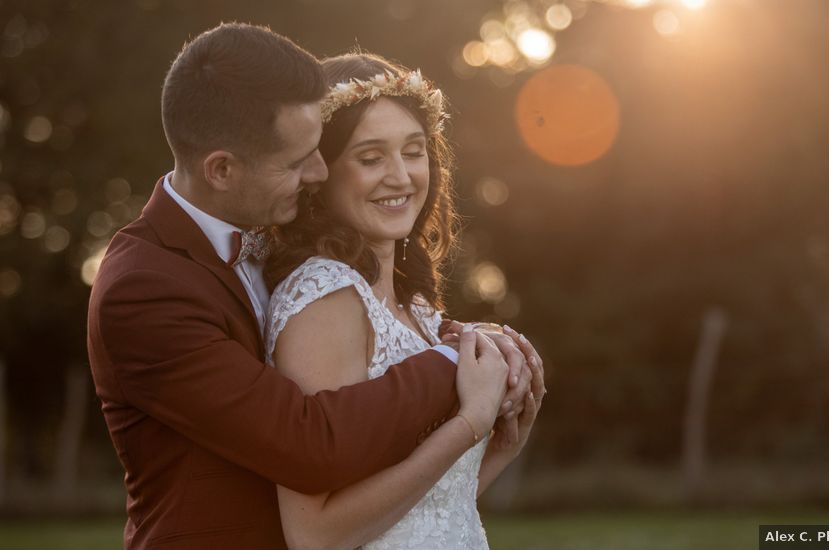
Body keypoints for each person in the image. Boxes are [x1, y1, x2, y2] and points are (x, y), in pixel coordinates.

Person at [86, 23, 533, 550]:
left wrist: (498, 433)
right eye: (300, 161)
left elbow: (417, 511)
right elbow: (310, 443)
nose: (319, 172)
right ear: (222, 170)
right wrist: (455, 365)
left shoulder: (287, 248)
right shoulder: (144, 289)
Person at [262, 52, 547, 549]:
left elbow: (424, 514)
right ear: (319, 174)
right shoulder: (323, 297)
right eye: (371, 158)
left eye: (413, 151)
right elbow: (316, 535)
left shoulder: (416, 309)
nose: (401, 176)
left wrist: (503, 441)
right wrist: (468, 423)